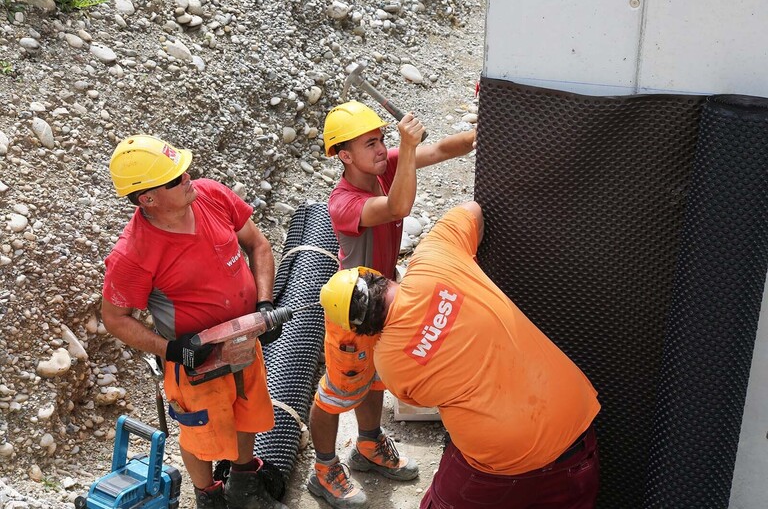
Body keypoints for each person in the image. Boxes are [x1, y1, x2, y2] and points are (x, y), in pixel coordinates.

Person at [319, 201, 601, 509]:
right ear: (379, 276)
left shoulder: (390, 364)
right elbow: (473, 210)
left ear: (362, 330)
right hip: (576, 426)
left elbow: (425, 398)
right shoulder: (433, 257)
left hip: (504, 461)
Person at [101, 135, 287, 509]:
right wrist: (173, 350)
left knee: (247, 412)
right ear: (147, 199)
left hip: (244, 341)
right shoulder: (133, 254)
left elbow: (259, 245)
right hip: (196, 362)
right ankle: (209, 495)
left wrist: (265, 304)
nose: (188, 178)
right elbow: (115, 319)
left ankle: (244, 483)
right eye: (175, 179)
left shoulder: (211, 196)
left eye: (184, 170)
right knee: (200, 433)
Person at [308, 100, 476, 508]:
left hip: (383, 298)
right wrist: (407, 146)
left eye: (382, 139)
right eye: (370, 143)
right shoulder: (343, 202)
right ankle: (324, 469)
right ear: (345, 156)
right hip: (353, 311)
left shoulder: (384, 168)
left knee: (374, 378)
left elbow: (444, 150)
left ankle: (368, 444)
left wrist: (489, 131)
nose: (382, 149)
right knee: (337, 392)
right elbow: (398, 207)